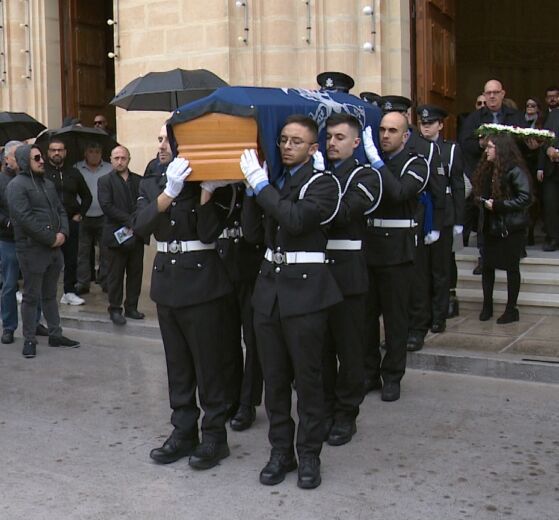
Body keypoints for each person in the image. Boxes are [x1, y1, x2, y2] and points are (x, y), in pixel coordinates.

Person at [241, 115, 342, 489]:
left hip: (305, 293)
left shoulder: (323, 183)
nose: (286, 146)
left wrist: (261, 186)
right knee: (275, 379)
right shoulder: (276, 182)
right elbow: (253, 234)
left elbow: (296, 220)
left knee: (308, 379)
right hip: (270, 291)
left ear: (313, 148)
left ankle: (309, 453)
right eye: (283, 139)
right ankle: (281, 451)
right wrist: (251, 193)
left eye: (296, 141)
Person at [134, 124, 233, 471]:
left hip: (202, 284)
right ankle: (183, 431)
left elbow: (208, 232)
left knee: (208, 365)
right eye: (159, 139)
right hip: (167, 282)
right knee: (177, 365)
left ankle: (215, 436)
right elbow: (140, 226)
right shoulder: (152, 183)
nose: (161, 145)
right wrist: (169, 193)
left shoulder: (210, 184)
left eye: (167, 139)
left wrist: (205, 194)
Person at [322, 113, 382, 446]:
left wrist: (317, 191)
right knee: (321, 349)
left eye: (340, 137)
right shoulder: (320, 173)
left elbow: (344, 212)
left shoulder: (366, 176)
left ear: (356, 142)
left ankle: (346, 413)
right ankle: (325, 408)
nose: (332, 143)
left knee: (349, 349)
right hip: (319, 274)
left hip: (348, 274)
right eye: (329, 136)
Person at [361, 112, 429, 402]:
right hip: (369, 247)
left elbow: (400, 192)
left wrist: (376, 162)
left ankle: (392, 376)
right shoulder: (371, 160)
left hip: (397, 251)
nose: (385, 135)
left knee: (395, 319)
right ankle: (369, 373)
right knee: (365, 319)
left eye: (392, 130)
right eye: (382, 130)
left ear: (405, 136)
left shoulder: (416, 163)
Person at [7, 145, 80, 358]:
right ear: (24, 161)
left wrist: (63, 233)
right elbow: (24, 218)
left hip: (53, 250)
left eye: (41, 157)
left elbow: (60, 210)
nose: (42, 161)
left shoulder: (47, 184)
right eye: (36, 158)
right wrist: (51, 238)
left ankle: (55, 334)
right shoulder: (16, 186)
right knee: (31, 297)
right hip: (32, 250)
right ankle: (29, 339)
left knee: (50, 295)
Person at [406, 105, 465, 351]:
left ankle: (439, 315)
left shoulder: (450, 150)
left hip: (444, 214)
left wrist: (459, 220)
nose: (426, 127)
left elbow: (457, 185)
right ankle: (424, 314)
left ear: (440, 125)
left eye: (430, 123)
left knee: (440, 269)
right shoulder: (414, 148)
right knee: (421, 270)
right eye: (423, 123)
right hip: (422, 214)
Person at [211, 181, 264, 432]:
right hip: (224, 265)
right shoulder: (222, 185)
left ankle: (248, 402)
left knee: (254, 340)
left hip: (252, 265)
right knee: (225, 338)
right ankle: (230, 397)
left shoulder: (259, 183)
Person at [459, 79, 527, 275]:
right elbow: (464, 143)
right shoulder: (474, 118)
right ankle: (484, 257)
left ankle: (516, 250)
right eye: (488, 93)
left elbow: (524, 143)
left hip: (510, 173)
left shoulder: (515, 116)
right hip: (485, 173)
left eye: (495, 92)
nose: (491, 96)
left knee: (513, 210)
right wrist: (481, 145)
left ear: (503, 94)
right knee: (484, 217)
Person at [472, 134, 531, 324]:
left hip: (510, 228)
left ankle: (511, 309)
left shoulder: (514, 170)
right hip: (491, 226)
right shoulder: (488, 169)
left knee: (511, 268)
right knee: (488, 266)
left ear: (500, 149)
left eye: (490, 147)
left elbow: (525, 198)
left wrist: (498, 205)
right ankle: (487, 306)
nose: (486, 151)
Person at [98, 145, 145, 325]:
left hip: (136, 234)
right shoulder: (105, 181)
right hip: (115, 236)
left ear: (128, 160)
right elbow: (107, 206)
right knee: (115, 275)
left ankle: (131, 307)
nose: (119, 161)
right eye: (116, 158)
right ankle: (115, 309)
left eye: (123, 158)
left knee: (135, 273)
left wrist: (137, 222)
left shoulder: (139, 180)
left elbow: (144, 203)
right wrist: (131, 221)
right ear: (111, 160)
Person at [44, 138, 92, 306]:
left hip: (70, 221)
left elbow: (87, 196)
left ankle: (69, 291)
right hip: (49, 223)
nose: (56, 153)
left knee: (71, 259)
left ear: (65, 152)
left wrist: (80, 214)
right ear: (48, 152)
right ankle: (46, 292)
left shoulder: (74, 173)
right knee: (47, 259)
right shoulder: (43, 173)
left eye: (60, 150)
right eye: (53, 150)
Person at [74, 141, 112, 295]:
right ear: (85, 153)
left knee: (106, 251)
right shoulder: (77, 168)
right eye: (91, 151)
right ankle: (83, 282)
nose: (94, 155)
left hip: (104, 216)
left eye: (97, 152)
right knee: (82, 252)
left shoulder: (109, 168)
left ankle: (105, 280)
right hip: (83, 216)